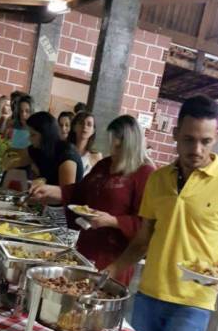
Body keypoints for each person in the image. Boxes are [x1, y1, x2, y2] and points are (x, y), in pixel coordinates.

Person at [102, 95, 218, 331]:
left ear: (216, 137)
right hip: (149, 294)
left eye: (205, 141)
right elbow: (143, 238)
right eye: (188, 139)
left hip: (193, 302)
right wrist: (114, 268)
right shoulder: (158, 179)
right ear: (175, 134)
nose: (197, 149)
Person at [30, 115, 154, 284]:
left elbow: (146, 225)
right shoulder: (104, 165)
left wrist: (113, 221)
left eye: (119, 147)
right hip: (85, 248)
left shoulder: (145, 173)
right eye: (111, 146)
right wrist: (52, 190)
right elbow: (79, 192)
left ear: (132, 145)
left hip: (114, 258)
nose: (113, 152)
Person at [7, 111, 83, 188]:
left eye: (33, 135)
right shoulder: (38, 148)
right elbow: (13, 159)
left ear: (45, 135)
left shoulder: (67, 154)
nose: (29, 139)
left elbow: (66, 192)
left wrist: (42, 185)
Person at [68, 110, 102, 176]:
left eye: (89, 124)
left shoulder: (96, 156)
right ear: (74, 127)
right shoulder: (65, 150)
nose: (85, 127)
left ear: (93, 131)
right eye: (81, 123)